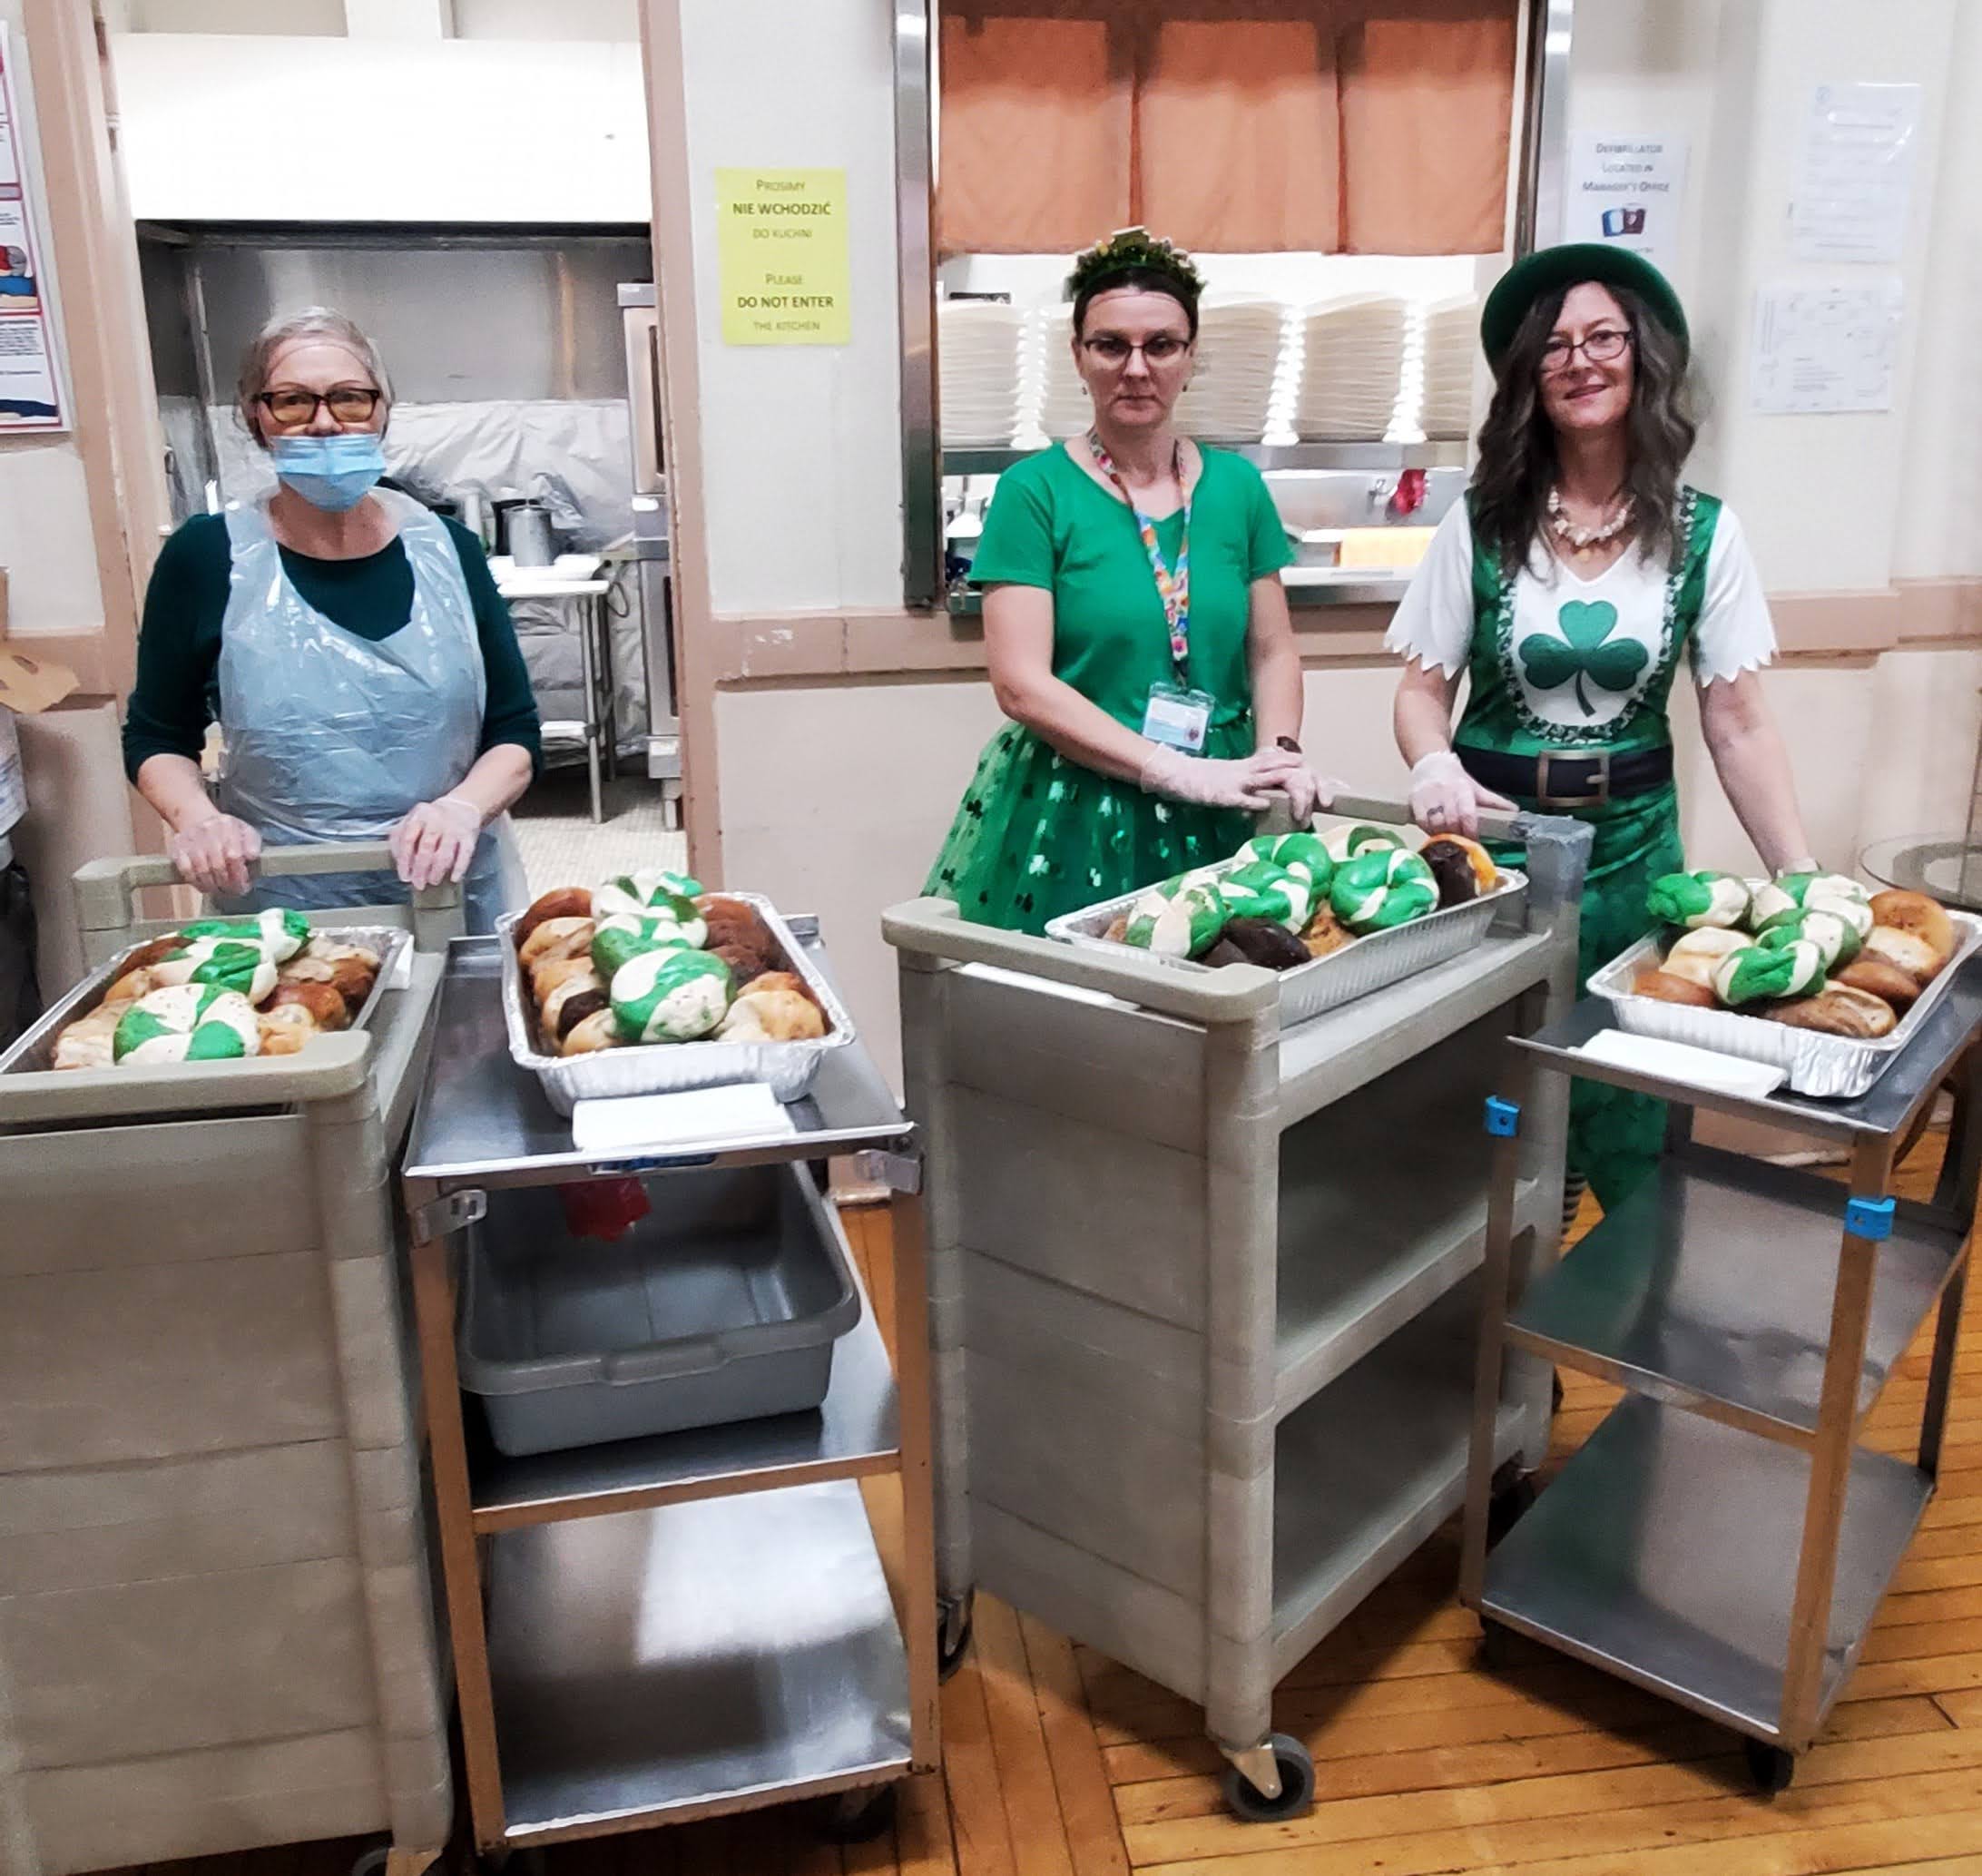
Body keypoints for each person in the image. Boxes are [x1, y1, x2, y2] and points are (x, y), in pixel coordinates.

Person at [1386, 244, 1815, 1209]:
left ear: (1643, 358)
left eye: (1604, 338)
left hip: (1632, 854)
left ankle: (1631, 1303)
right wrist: (1432, 763)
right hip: (1494, 856)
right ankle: (1506, 1306)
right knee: (1491, 1113)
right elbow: (1420, 692)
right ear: (1528, 377)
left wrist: (1798, 875)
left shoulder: (1705, 533)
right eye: (1555, 346)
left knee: (1632, 1114)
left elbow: (1738, 724)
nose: (1580, 361)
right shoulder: (1481, 524)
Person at [927, 228, 1331, 934]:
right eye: (1111, 345)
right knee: (1087, 987)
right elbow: (1021, 684)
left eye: (1161, 345)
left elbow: (1272, 650)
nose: (1136, 368)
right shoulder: (1035, 493)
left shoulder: (1237, 488)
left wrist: (1278, 755)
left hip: (1224, 792)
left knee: (1228, 980)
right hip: (1081, 807)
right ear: (1078, 356)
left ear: (1191, 356)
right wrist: (1167, 767)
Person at [125, 308, 537, 934]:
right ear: (257, 418)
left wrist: (462, 808)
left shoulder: (449, 551)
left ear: (381, 411)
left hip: (448, 892)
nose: (324, 422)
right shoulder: (207, 557)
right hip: (279, 902)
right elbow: (156, 735)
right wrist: (198, 819)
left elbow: (514, 730)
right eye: (293, 401)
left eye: (348, 397)